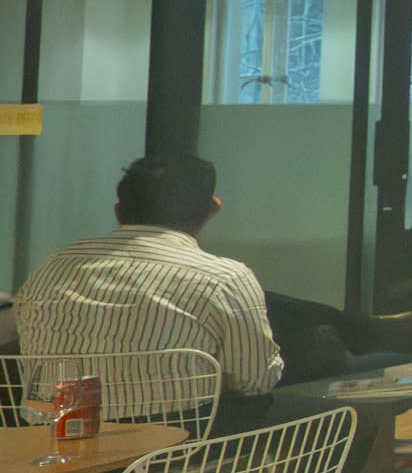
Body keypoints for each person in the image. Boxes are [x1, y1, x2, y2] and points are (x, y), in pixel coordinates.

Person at [14, 154, 283, 403]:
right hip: (176, 444)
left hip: (53, 438)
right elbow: (254, 381)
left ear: (118, 211)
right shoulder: (224, 280)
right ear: (211, 211)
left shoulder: (51, 269)